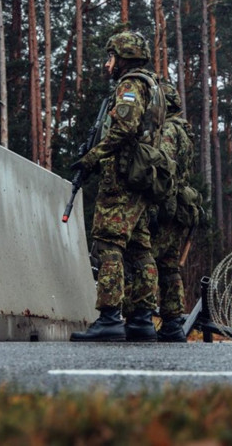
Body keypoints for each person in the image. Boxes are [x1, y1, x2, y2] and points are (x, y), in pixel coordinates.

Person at [70, 31, 165, 342]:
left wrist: (91, 158)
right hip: (140, 179)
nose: (107, 63)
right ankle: (141, 320)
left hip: (122, 179)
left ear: (124, 57)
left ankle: (110, 318)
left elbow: (123, 128)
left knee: (109, 243)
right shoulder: (153, 86)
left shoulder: (130, 85)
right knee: (140, 249)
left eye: (111, 57)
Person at [150, 83, 198, 342]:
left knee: (146, 260)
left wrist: (153, 203)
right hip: (179, 206)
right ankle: (172, 322)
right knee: (169, 267)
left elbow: (163, 167)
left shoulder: (168, 130)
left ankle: (142, 317)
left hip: (166, 205)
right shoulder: (184, 131)